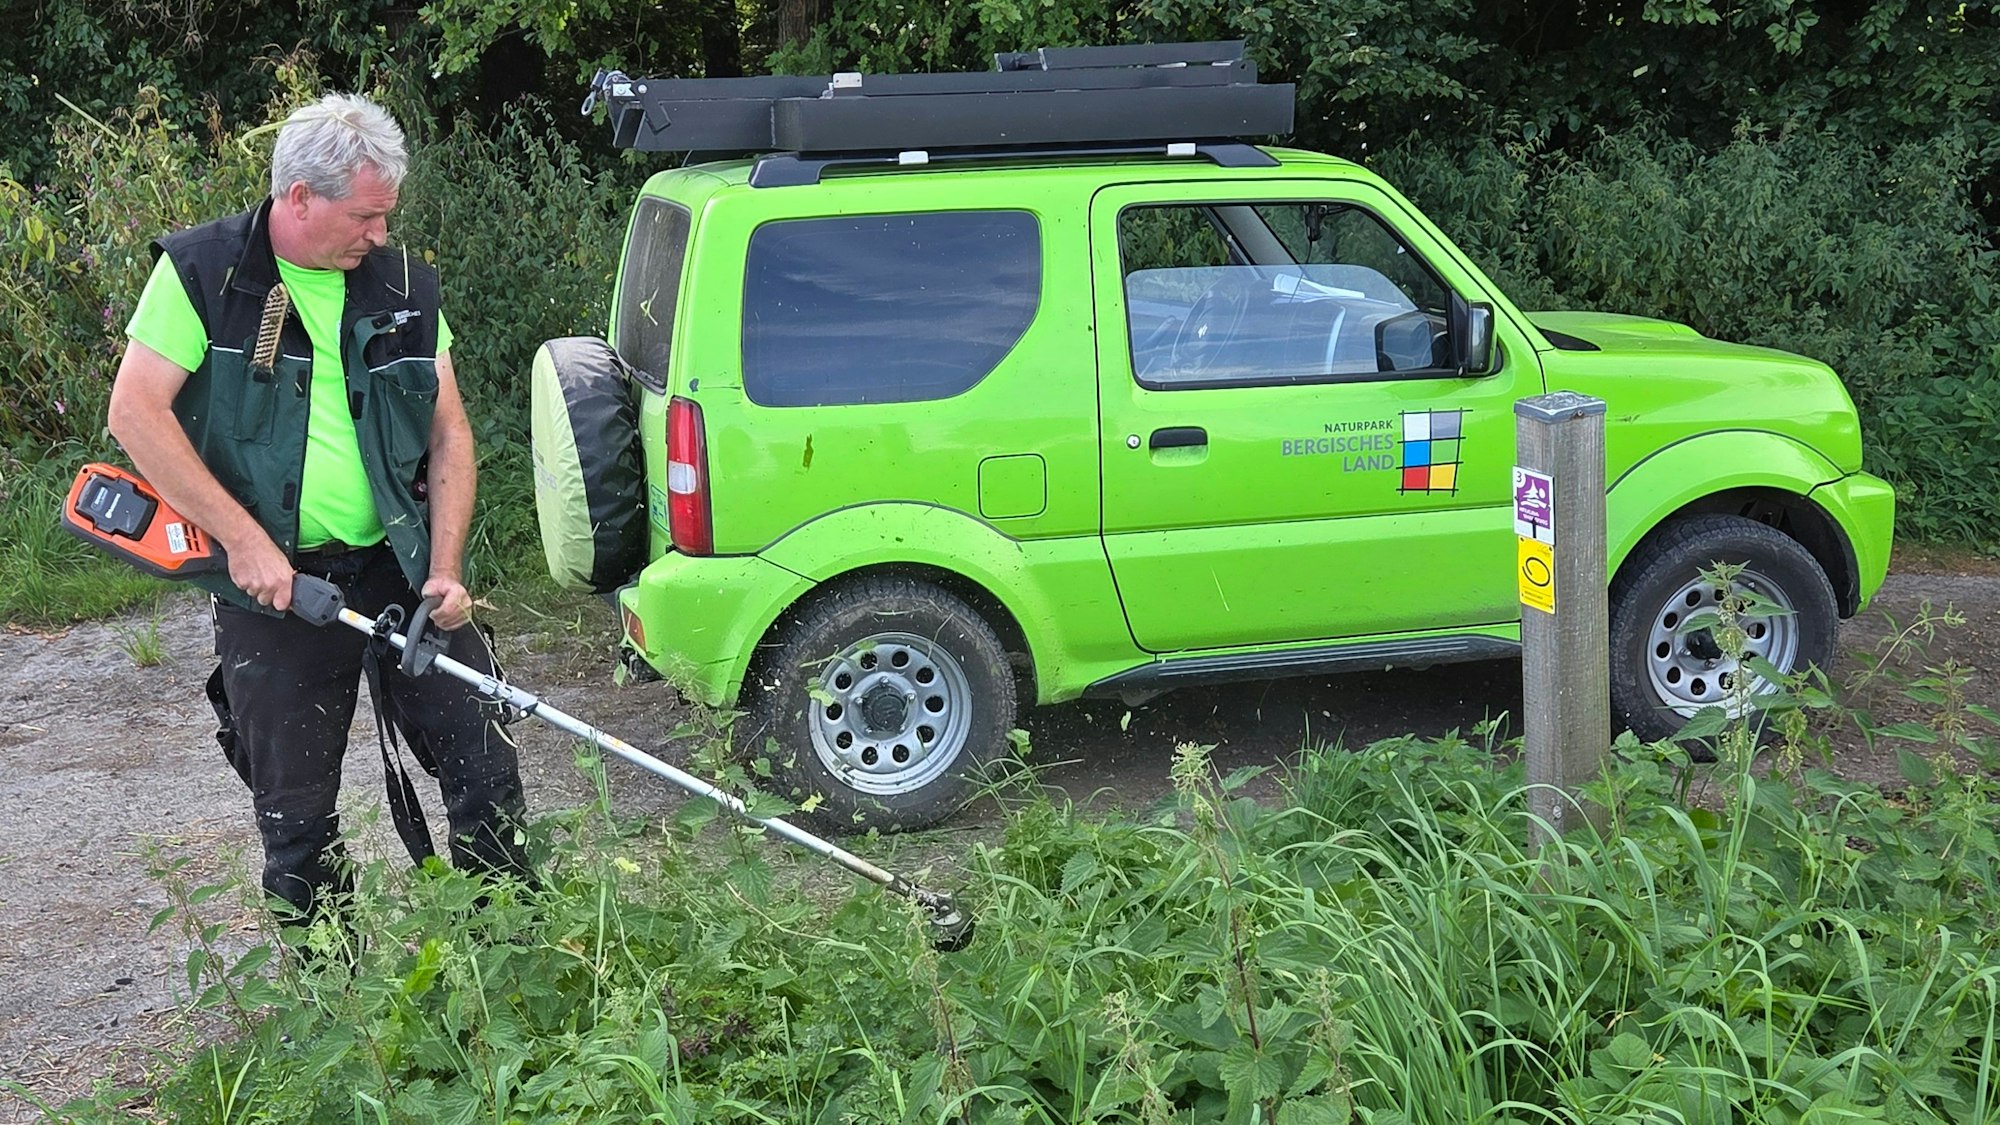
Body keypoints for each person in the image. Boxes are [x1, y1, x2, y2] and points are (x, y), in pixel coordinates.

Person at [106, 93, 532, 923]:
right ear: (300, 197)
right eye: (366, 216)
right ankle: (341, 1017)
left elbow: (450, 437)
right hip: (274, 585)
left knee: (489, 769)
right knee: (297, 822)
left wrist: (445, 569)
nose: (379, 235)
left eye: (386, 216)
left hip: (400, 565)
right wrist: (244, 543)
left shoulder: (404, 286)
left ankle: (516, 961)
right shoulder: (204, 274)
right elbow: (135, 413)